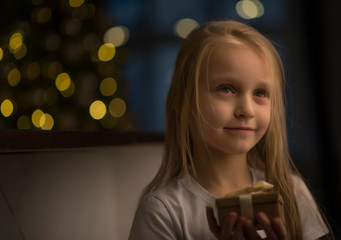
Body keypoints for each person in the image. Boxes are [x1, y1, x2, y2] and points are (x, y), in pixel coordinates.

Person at [129, 20, 332, 240]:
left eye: (260, 93)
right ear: (182, 99)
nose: (247, 110)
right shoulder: (163, 211)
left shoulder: (291, 192)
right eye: (226, 89)